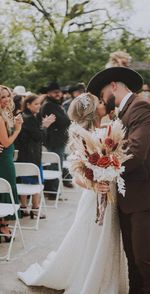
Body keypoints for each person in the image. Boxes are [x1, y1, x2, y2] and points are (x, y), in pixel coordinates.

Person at [17, 93, 128, 294]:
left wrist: (111, 171)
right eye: (101, 103)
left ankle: (107, 278)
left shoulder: (109, 130)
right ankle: (91, 280)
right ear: (93, 111)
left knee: (109, 236)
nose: (105, 104)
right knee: (92, 238)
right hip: (94, 196)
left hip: (110, 194)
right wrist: (95, 186)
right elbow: (77, 176)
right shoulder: (81, 136)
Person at [87, 66, 150, 294]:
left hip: (145, 193)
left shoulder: (141, 107)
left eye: (102, 93)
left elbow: (135, 151)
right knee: (132, 256)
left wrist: (101, 171)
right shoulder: (123, 113)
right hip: (128, 194)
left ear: (114, 85)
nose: (103, 99)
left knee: (144, 257)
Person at [17, 95, 55, 218]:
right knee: (36, 183)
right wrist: (45, 126)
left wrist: (42, 125)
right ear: (28, 105)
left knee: (25, 181)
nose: (39, 106)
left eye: (39, 103)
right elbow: (39, 137)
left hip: (25, 155)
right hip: (32, 156)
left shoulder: (27, 116)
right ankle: (35, 209)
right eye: (36, 104)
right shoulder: (28, 118)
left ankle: (24, 207)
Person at [0, 85, 23, 242]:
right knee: (6, 188)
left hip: (5, 156)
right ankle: (4, 226)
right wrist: (17, 129)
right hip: (4, 159)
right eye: (2, 97)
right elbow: (6, 142)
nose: (7, 99)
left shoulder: (5, 114)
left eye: (8, 95)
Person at [40, 82, 72, 195]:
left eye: (59, 92)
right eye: (55, 92)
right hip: (54, 140)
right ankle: (52, 191)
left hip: (59, 139)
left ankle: (52, 190)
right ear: (49, 93)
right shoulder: (49, 105)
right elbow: (59, 121)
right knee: (55, 165)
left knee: (57, 164)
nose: (58, 94)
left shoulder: (56, 104)